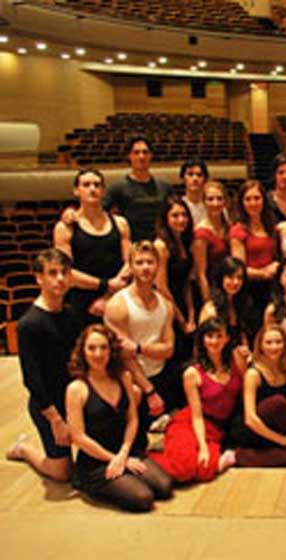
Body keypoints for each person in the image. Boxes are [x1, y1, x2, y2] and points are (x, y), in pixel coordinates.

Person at [65, 325, 173, 511]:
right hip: (96, 460)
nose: (98, 354)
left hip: (126, 450)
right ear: (83, 351)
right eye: (92, 348)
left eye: (103, 347)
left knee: (165, 487)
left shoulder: (124, 377)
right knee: (143, 498)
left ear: (111, 350)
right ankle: (87, 483)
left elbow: (132, 419)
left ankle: (126, 474)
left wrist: (123, 454)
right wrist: (113, 459)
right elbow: (79, 437)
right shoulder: (76, 389)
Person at [6, 249, 81, 482]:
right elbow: (32, 380)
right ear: (39, 278)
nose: (60, 279)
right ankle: (23, 449)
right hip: (48, 405)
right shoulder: (29, 324)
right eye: (52, 273)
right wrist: (56, 420)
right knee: (62, 473)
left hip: (73, 398)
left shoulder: (70, 314)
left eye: (64, 273)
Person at [150, 318, 241, 483]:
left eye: (219, 336)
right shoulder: (193, 373)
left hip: (216, 429)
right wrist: (203, 446)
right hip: (191, 423)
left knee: (205, 469)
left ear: (227, 338)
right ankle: (146, 458)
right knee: (183, 469)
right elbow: (196, 415)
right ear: (202, 340)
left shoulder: (236, 360)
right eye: (209, 336)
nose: (214, 341)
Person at [104, 241, 177, 436]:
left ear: (158, 265)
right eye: (139, 262)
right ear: (131, 267)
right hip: (131, 380)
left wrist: (138, 347)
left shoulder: (166, 305)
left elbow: (169, 349)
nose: (145, 267)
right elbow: (124, 356)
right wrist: (149, 391)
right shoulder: (118, 305)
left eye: (150, 262)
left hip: (159, 373)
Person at [54, 168, 131, 326]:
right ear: (76, 191)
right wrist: (105, 284)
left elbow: (130, 262)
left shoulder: (120, 223)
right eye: (86, 184)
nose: (92, 189)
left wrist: (108, 295)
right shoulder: (65, 228)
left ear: (103, 191)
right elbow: (66, 271)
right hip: (80, 303)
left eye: (97, 185)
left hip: (116, 298)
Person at [228, 325, 286, 468]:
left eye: (278, 342)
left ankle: (240, 457)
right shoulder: (253, 374)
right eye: (268, 342)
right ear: (260, 346)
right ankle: (237, 455)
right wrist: (282, 440)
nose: (274, 347)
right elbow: (250, 419)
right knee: (278, 402)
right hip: (251, 429)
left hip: (273, 427)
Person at [103, 136, 172, 241]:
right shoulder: (117, 188)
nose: (141, 156)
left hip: (161, 243)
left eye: (145, 152)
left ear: (151, 155)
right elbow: (100, 211)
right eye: (136, 152)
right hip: (131, 244)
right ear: (129, 156)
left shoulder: (165, 187)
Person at [154, 196, 195, 364]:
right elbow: (161, 287)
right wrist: (181, 320)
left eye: (184, 215)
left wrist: (191, 313)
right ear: (165, 218)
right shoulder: (161, 246)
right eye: (175, 215)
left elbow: (185, 282)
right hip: (167, 306)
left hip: (182, 303)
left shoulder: (184, 241)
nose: (181, 219)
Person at [230, 180, 279, 320]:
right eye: (248, 199)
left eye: (257, 198)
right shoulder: (238, 230)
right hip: (249, 290)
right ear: (242, 203)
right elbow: (239, 268)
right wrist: (263, 273)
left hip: (272, 287)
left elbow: (276, 256)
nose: (253, 203)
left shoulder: (271, 226)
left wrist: (276, 265)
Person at [198, 256, 255, 373]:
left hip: (238, 361)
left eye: (239, 278)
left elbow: (241, 333)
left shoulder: (239, 303)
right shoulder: (210, 310)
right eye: (230, 277)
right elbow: (205, 346)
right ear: (221, 279)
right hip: (216, 365)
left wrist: (247, 351)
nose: (236, 282)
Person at [192, 180, 230, 302]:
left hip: (230, 285)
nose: (215, 203)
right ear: (204, 202)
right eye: (210, 199)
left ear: (225, 201)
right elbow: (201, 274)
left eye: (219, 199)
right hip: (212, 287)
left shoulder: (229, 226)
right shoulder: (201, 233)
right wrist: (207, 302)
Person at [179, 158, 209, 227]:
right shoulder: (178, 206)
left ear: (205, 179)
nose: (195, 178)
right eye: (190, 174)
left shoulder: (213, 205)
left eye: (199, 175)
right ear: (183, 179)